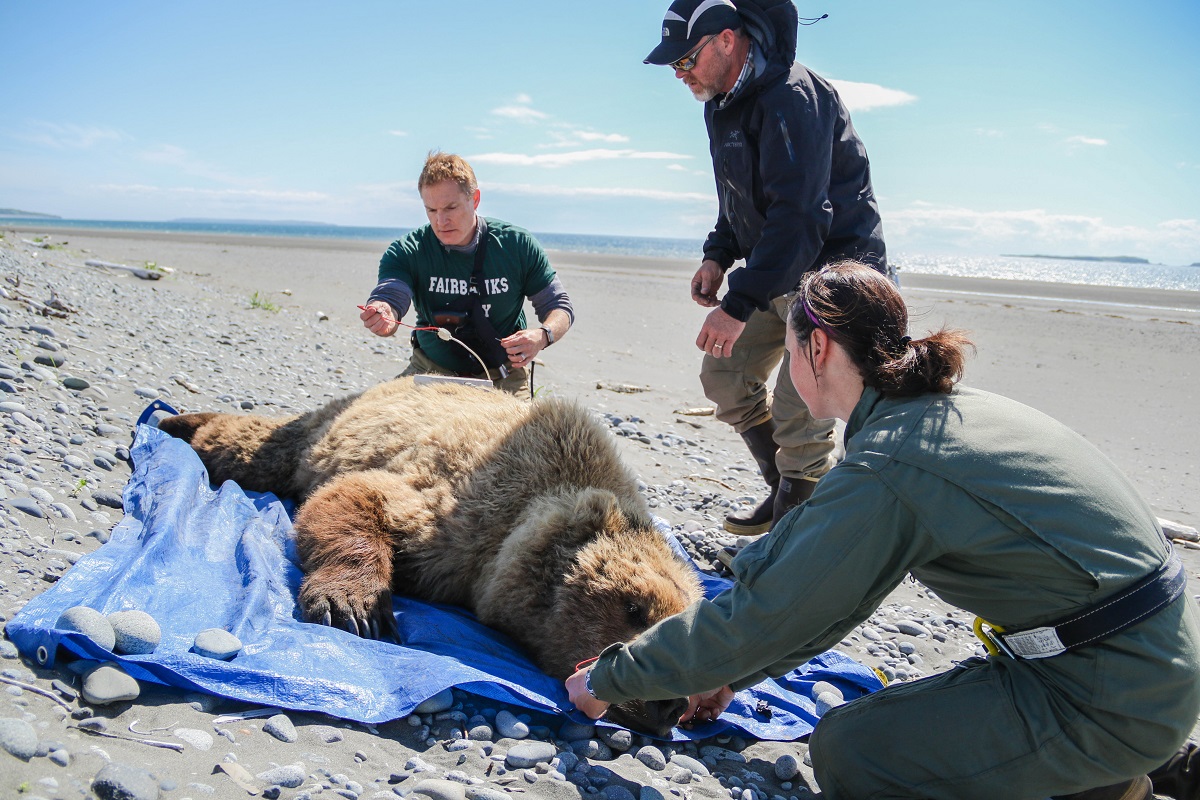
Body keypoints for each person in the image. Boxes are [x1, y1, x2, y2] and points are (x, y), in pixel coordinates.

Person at [567, 261, 1200, 799]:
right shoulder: (938, 417)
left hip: (1108, 690)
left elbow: (767, 612)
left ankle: (1117, 775)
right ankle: (1144, 756)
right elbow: (833, 600)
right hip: (1150, 659)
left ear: (817, 349)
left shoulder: (891, 465)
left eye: (789, 354)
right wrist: (734, 675)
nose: (786, 372)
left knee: (851, 749)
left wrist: (606, 679)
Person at [644, 0, 888, 539]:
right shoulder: (720, 103)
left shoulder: (792, 97)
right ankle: (786, 496)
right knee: (724, 376)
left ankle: (790, 541)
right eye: (673, 67)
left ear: (726, 40)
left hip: (834, 278)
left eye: (685, 61)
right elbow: (740, 198)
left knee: (798, 409)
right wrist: (718, 254)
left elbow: (801, 216)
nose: (679, 76)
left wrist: (736, 304)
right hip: (776, 270)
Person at [360, 151, 574, 396]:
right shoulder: (409, 250)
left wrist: (542, 335)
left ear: (475, 199)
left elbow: (559, 307)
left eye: (451, 207)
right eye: (431, 210)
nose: (441, 221)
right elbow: (391, 292)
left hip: (503, 379)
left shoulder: (517, 245)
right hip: (431, 372)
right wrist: (384, 311)